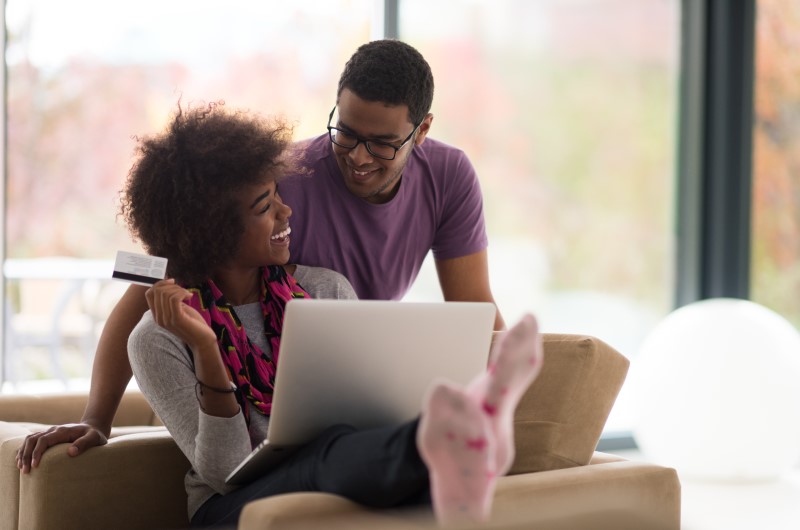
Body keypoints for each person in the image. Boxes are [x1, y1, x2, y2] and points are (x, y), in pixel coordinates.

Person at [16, 38, 507, 470]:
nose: (358, 156)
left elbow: (474, 307)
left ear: (420, 133)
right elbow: (151, 280)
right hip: (263, 386)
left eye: (381, 144)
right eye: (348, 132)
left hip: (350, 363)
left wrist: (515, 397)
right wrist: (96, 420)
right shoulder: (282, 178)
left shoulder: (448, 177)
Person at [89, 102, 541, 526]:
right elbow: (225, 473)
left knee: (350, 453)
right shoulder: (157, 340)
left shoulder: (325, 289)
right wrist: (207, 347)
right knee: (329, 453)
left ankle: (452, 446)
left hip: (336, 470)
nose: (287, 211)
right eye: (266, 207)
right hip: (228, 509)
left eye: (278, 195)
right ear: (214, 233)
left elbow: (368, 411)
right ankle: (443, 441)